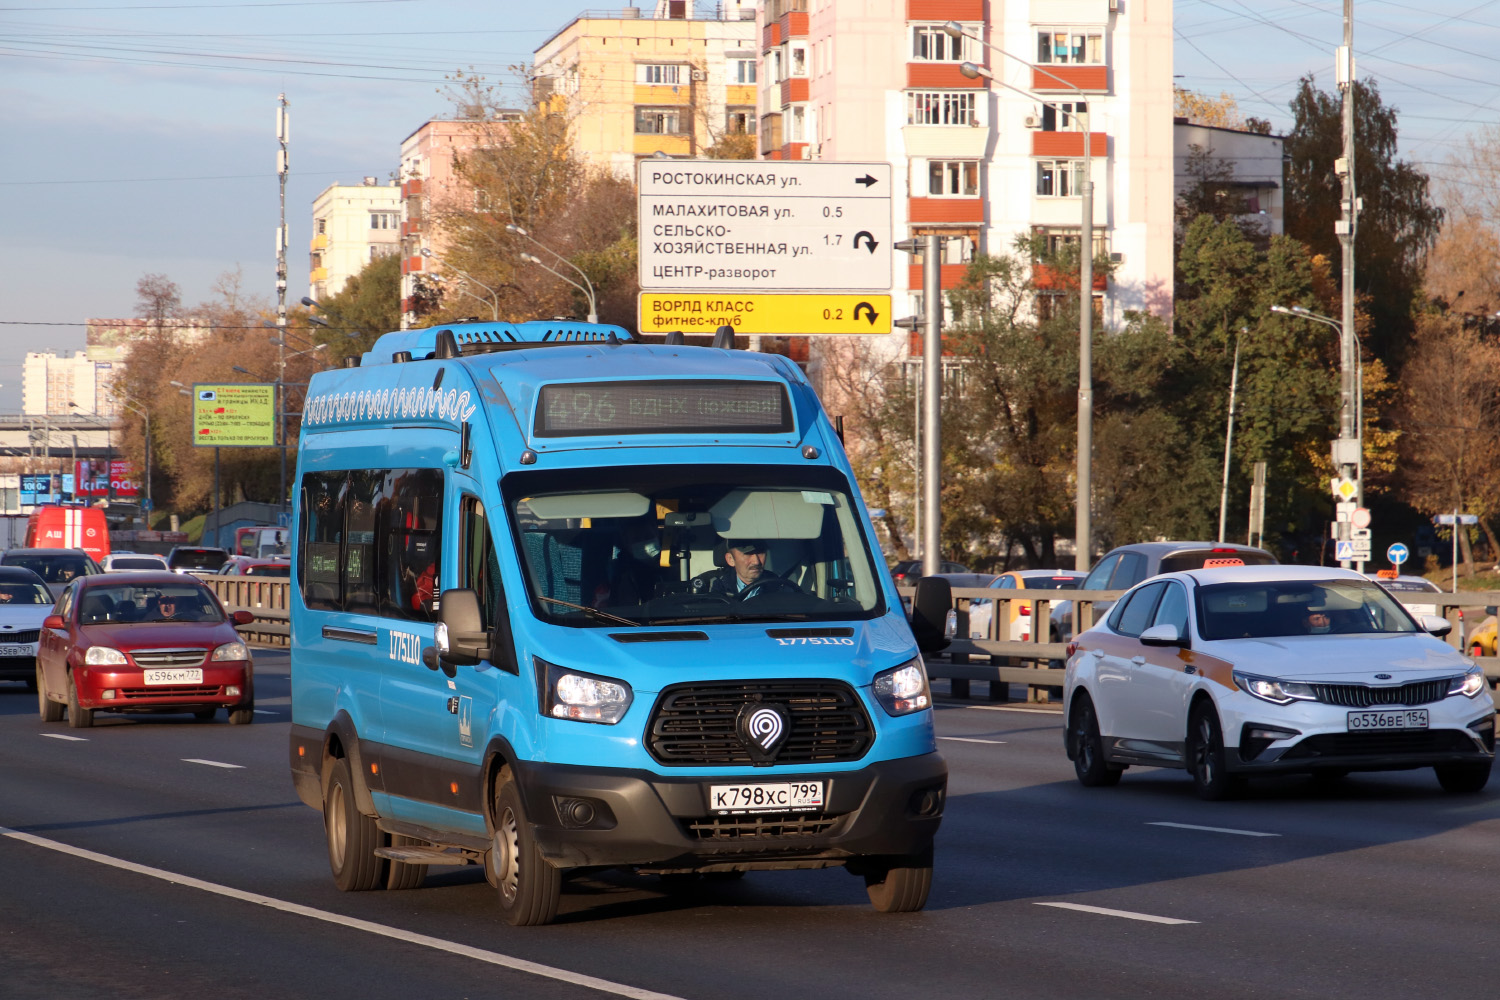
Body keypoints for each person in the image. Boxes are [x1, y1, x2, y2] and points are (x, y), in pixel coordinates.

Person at [704, 539, 771, 596]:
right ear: (731, 559)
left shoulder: (778, 587)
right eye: (748, 554)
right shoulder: (713, 588)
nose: (756, 562)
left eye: (761, 552)